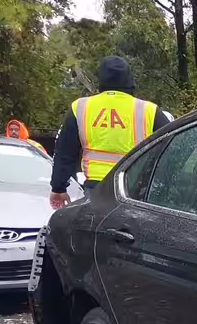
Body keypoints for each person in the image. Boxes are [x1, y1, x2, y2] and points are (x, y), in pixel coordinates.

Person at [49, 56, 175, 209]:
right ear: (129, 79)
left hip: (96, 188)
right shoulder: (148, 110)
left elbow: (64, 152)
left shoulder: (81, 107)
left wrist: (58, 188)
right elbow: (173, 148)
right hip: (133, 189)